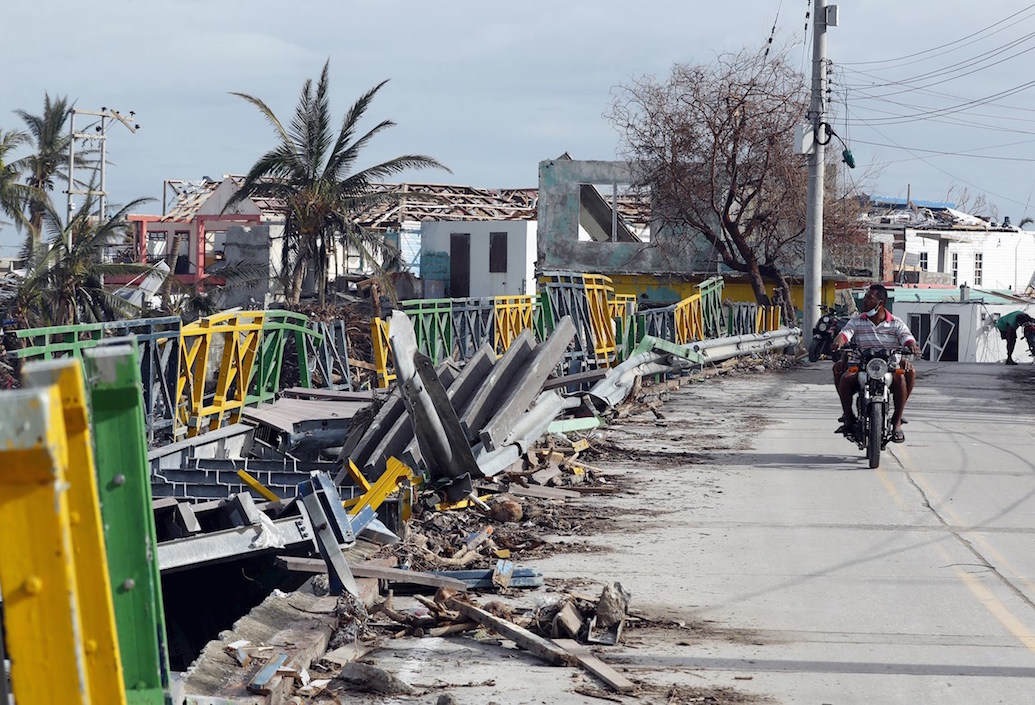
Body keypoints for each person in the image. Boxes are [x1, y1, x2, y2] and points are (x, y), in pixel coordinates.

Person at [830, 284, 921, 443]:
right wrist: (838, 342)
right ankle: (849, 418)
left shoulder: (895, 323)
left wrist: (911, 346)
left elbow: (907, 337)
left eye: (869, 299)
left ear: (880, 303)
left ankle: (897, 421)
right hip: (862, 366)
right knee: (845, 377)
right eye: (865, 298)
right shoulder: (857, 321)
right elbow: (845, 334)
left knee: (903, 376)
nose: (864, 302)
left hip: (889, 368)